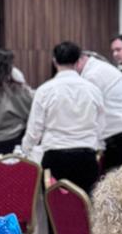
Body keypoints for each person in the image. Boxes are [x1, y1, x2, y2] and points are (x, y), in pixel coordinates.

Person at [20, 40, 103, 197]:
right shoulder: (93, 90)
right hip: (86, 158)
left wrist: (26, 150)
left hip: (56, 158)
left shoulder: (45, 90)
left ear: (54, 61)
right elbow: (101, 127)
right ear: (78, 62)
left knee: (56, 207)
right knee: (87, 206)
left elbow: (34, 130)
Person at [75, 48, 122, 172]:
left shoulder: (91, 75)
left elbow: (88, 114)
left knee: (114, 182)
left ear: (79, 61)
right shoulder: (101, 68)